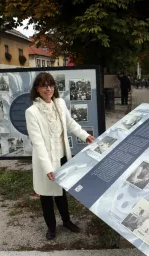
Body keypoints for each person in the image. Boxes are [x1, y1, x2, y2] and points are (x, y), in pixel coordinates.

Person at [25, 72, 95, 240]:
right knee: (47, 195)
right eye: (43, 85)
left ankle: (66, 221)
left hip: (62, 156)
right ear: (37, 89)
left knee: (62, 192)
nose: (48, 88)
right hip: (46, 160)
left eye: (50, 85)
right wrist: (48, 167)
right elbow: (38, 142)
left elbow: (70, 123)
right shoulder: (32, 112)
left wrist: (85, 136)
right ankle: (51, 227)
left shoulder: (60, 103)